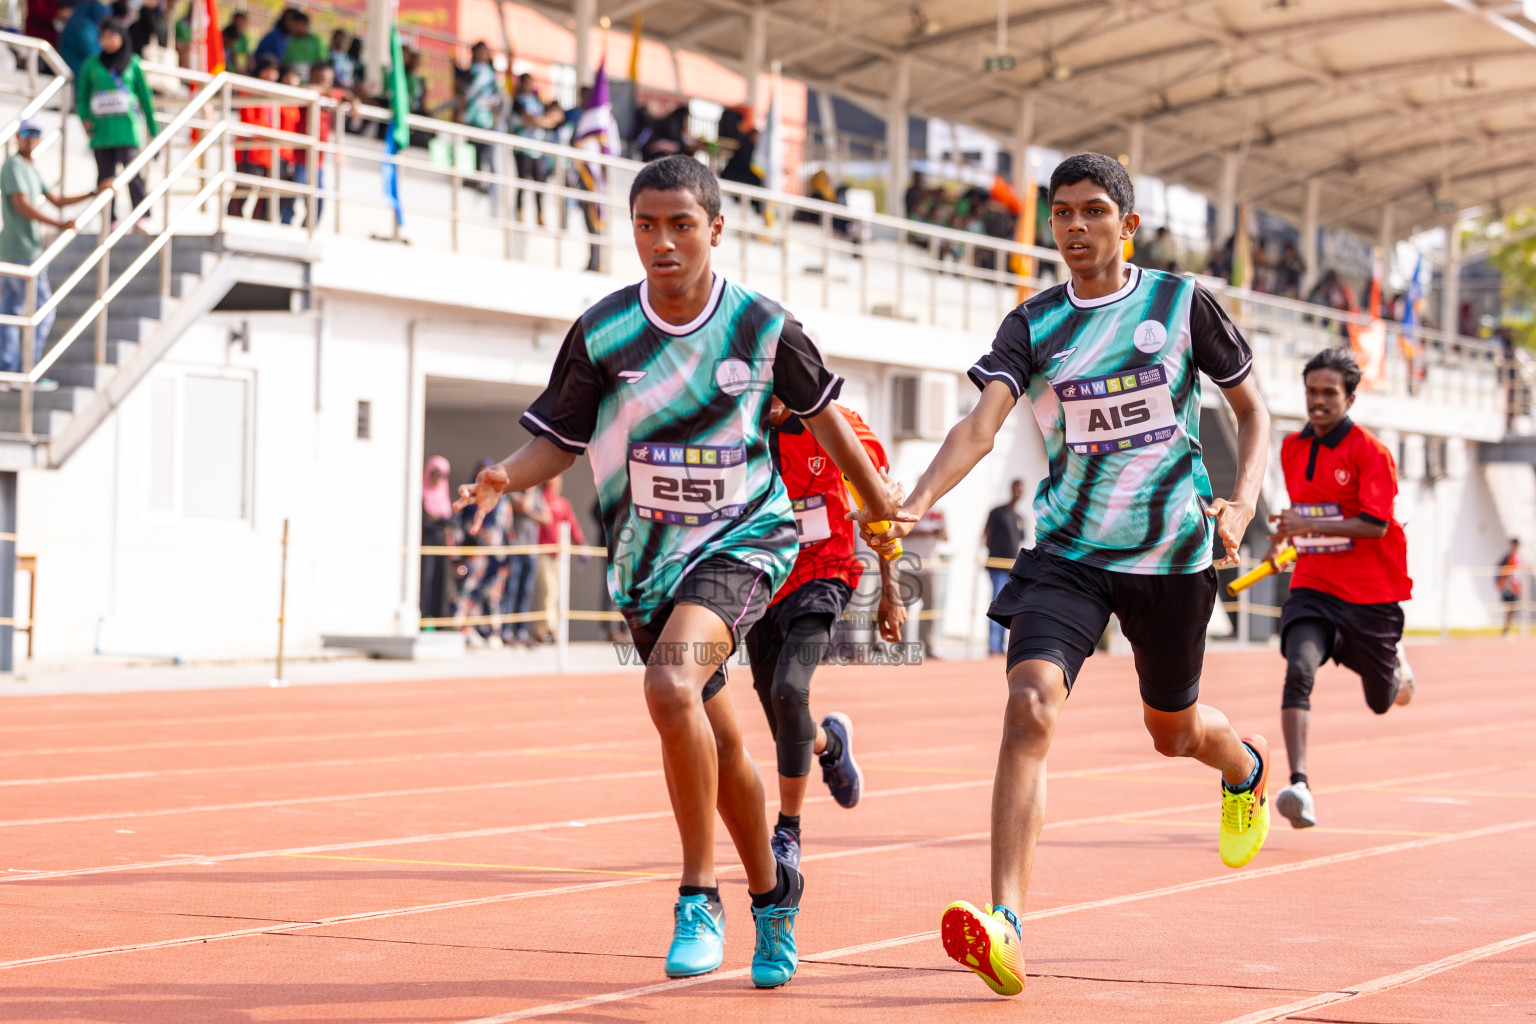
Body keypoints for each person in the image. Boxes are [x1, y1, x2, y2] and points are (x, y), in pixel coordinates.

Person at [453, 154, 900, 989]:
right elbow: (563, 436)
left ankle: (699, 896)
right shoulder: (605, 332)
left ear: (716, 230)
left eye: (681, 225)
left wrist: (876, 500)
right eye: (647, 226)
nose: (663, 242)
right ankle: (775, 896)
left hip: (744, 542)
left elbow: (826, 420)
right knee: (722, 742)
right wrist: (507, 475)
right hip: (646, 558)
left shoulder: (763, 328)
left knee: (668, 690)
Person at [857, 152, 1273, 997]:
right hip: (1071, 554)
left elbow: (1253, 408)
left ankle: (1245, 770)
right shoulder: (1035, 322)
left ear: (1128, 223)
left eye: (1092, 211)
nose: (1075, 227)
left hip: (1171, 557)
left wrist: (1240, 504)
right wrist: (919, 498)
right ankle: (1006, 922)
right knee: (1029, 701)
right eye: (1061, 214)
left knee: (1174, 731)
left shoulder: (1180, 304)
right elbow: (982, 424)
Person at [746, 397, 905, 871]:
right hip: (759, 579)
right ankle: (831, 745)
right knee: (784, 723)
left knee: (790, 691)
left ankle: (787, 833)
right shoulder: (737, 425)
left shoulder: (835, 423)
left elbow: (878, 506)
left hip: (824, 573)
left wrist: (889, 591)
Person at [1263, 348, 1415, 830]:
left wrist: (1305, 522)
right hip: (1315, 585)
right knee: (1299, 667)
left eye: (1329, 393)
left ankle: (1395, 666)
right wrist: (1282, 536)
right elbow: (1300, 510)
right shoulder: (1291, 448)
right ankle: (1300, 785)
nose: (1318, 401)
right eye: (1312, 391)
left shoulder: (1371, 453)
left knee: (1380, 700)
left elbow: (1373, 525)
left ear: (1350, 397)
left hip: (1372, 594)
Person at [0, 120, 97, 378]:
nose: (31, 137)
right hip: (20, 250)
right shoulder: (13, 166)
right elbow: (22, 205)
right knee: (43, 310)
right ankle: (25, 370)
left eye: (36, 133)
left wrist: (93, 193)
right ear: (17, 137)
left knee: (10, 311)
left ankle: (8, 370)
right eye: (26, 133)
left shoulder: (30, 167)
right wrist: (59, 224)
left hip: (20, 250)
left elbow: (56, 200)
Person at [78, 19, 159, 232]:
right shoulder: (91, 64)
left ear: (122, 37)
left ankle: (142, 215)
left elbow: (145, 99)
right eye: (104, 37)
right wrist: (84, 117)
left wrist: (153, 130)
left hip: (126, 129)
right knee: (105, 177)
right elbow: (82, 96)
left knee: (132, 172)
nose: (108, 41)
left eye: (112, 36)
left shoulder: (133, 63)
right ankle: (109, 219)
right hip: (101, 131)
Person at [454, 458, 512, 645]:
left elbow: (508, 530)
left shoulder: (503, 500)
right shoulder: (469, 499)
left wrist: (508, 557)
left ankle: (492, 632)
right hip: (475, 555)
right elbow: (461, 527)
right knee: (470, 591)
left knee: (493, 594)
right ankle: (464, 629)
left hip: (497, 556)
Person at [228, 54, 285, 220]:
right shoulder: (249, 90)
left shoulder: (275, 94)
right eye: (269, 71)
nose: (272, 76)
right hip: (251, 148)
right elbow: (250, 119)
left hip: (266, 150)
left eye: (275, 72)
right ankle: (233, 217)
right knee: (244, 188)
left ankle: (258, 218)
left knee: (264, 191)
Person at [532, 475, 585, 643]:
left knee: (556, 591)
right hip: (543, 550)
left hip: (559, 553)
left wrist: (581, 543)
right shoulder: (541, 500)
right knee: (549, 589)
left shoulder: (563, 503)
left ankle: (543, 629)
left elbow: (572, 524)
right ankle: (551, 628)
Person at [983, 479, 1028, 656]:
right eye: (1017, 488)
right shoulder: (997, 512)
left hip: (1012, 569)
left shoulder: (1020, 518)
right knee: (997, 602)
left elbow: (1020, 542)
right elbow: (987, 535)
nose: (1019, 491)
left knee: (1008, 607)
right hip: (996, 565)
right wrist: (994, 555)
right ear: (1011, 489)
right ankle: (993, 646)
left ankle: (1001, 646)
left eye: (1021, 489)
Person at [458, 42, 505, 190]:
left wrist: (495, 114)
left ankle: (480, 181)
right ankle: (470, 178)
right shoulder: (470, 72)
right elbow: (464, 94)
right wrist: (460, 112)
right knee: (472, 148)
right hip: (472, 115)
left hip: (486, 119)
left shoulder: (490, 74)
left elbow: (495, 97)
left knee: (484, 151)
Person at [903, 506, 947, 657]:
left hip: (930, 567)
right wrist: (922, 532)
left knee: (929, 610)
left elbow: (946, 536)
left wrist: (937, 533)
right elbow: (900, 532)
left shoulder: (939, 512)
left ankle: (927, 645)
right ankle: (901, 646)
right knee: (903, 609)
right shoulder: (908, 508)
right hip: (907, 567)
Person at [420, 456, 456, 625]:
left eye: (441, 475)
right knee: (425, 579)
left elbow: (450, 522)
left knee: (440, 581)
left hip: (441, 544)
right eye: (434, 473)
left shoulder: (444, 494)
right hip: (426, 544)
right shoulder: (421, 493)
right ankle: (424, 616)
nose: (437, 478)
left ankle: (438, 619)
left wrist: (439, 520)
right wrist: (440, 522)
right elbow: (426, 521)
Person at [58, 0, 110, 77]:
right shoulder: (84, 28)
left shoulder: (77, 21)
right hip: (76, 74)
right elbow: (94, 53)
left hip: (70, 69)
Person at [280, 10, 326, 80]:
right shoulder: (290, 42)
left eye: (296, 24)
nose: (293, 27)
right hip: (293, 78)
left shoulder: (316, 40)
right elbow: (286, 62)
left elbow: (322, 61)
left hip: (312, 78)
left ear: (304, 24)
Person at [1498, 538, 1523, 638]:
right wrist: (1504, 584)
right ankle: (1505, 630)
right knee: (1509, 608)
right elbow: (1500, 569)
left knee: (1512, 609)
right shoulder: (1507, 557)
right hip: (1508, 586)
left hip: (1514, 586)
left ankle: (1506, 629)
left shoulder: (1517, 557)